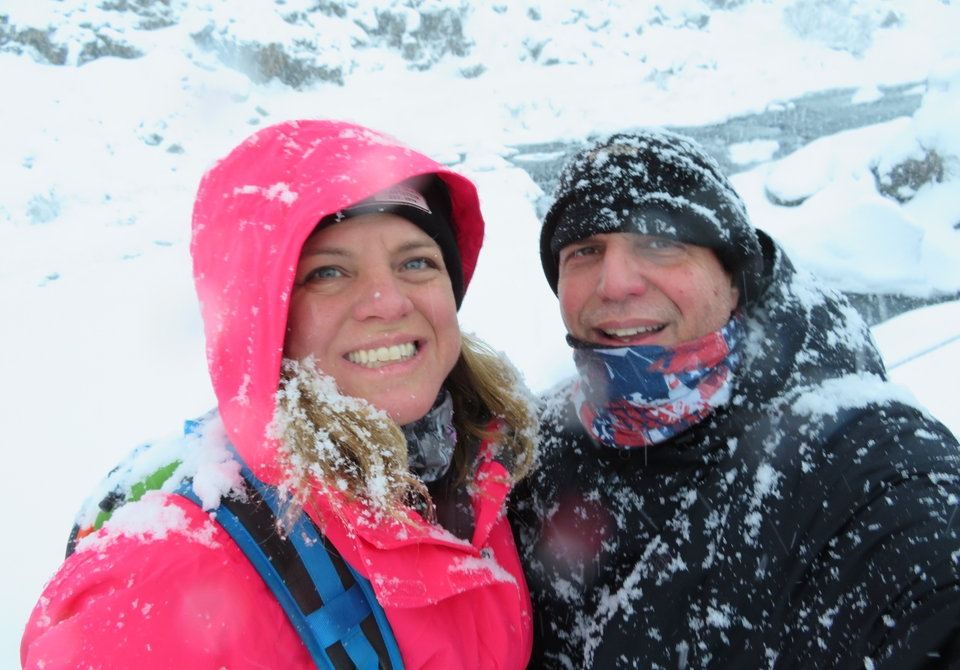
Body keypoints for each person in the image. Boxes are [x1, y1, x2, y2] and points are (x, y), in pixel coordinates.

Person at [21, 119, 537, 670]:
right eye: (329, 272)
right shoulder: (160, 586)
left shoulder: (490, 467)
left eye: (417, 262)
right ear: (260, 319)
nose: (388, 302)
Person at [511, 129, 960, 669]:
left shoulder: (854, 461)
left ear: (732, 278)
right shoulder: (531, 448)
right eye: (585, 251)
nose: (615, 283)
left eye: (660, 243)